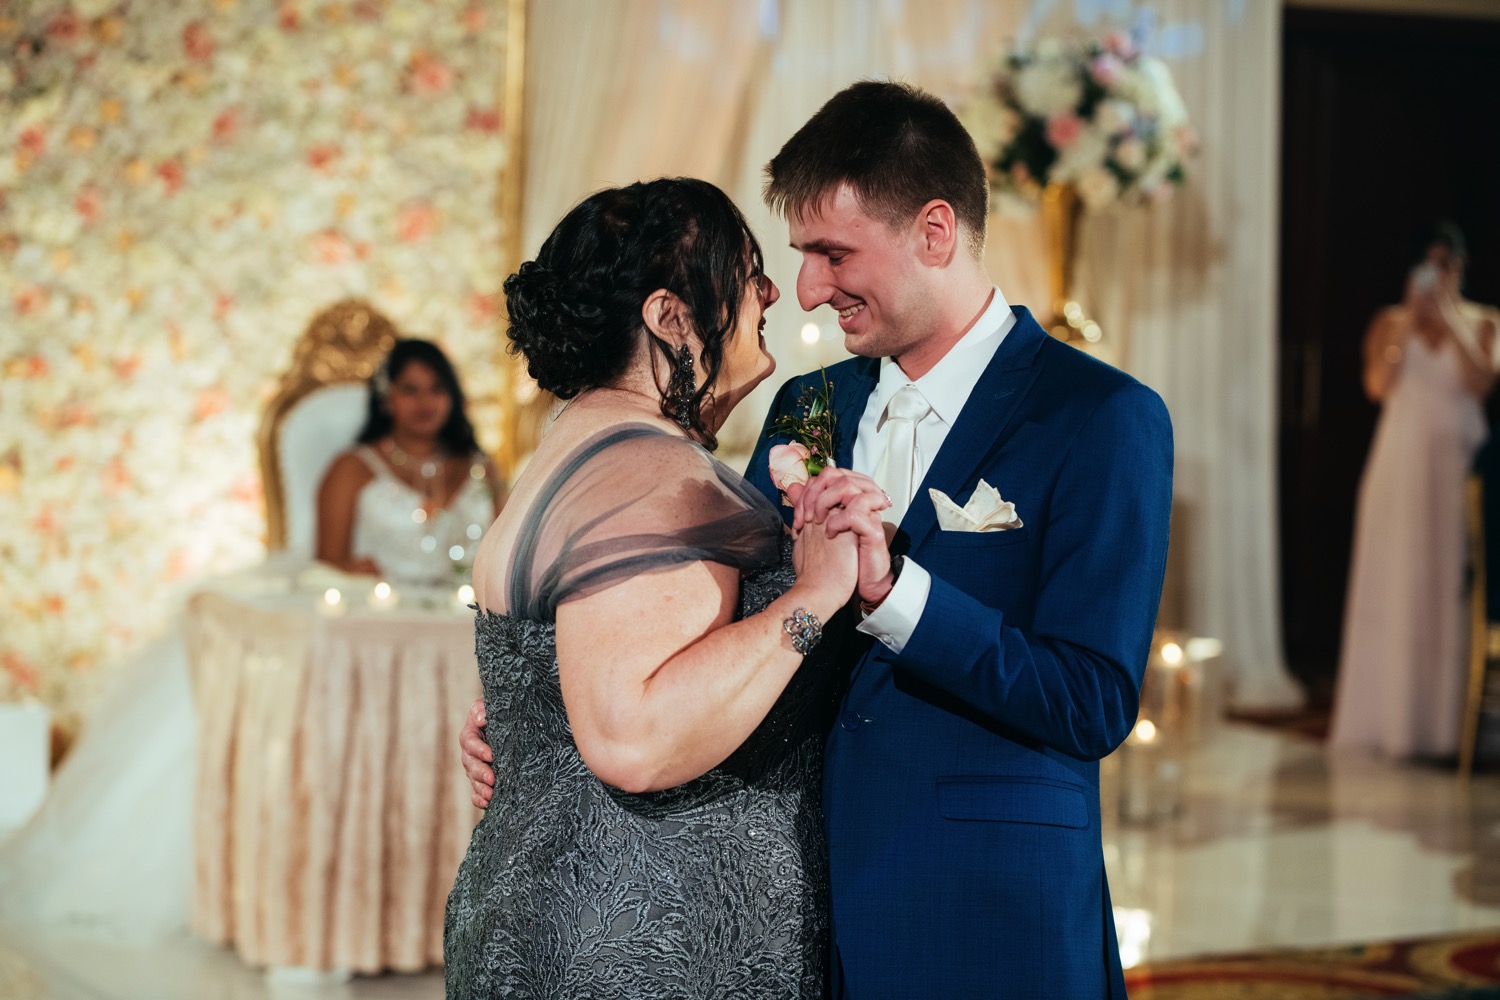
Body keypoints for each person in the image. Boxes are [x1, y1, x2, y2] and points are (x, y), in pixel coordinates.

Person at [463, 82, 1174, 998]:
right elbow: (713, 630)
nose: (806, 291)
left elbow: (1092, 701)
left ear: (935, 231)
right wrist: (550, 718)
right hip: (787, 917)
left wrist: (895, 594)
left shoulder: (1100, 416)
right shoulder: (810, 403)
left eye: (834, 254)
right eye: (801, 256)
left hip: (983, 913)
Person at [442, 177, 894, 998]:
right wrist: (814, 597)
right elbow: (633, 740)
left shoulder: (574, 447)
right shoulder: (654, 474)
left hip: (533, 908)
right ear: (669, 316)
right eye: (746, 272)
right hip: (649, 940)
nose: (769, 294)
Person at [1331, 221, 1499, 759]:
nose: (1437, 274)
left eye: (1446, 264)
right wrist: (1408, 323)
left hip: (1457, 467)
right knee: (1397, 583)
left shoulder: (1485, 321)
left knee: (1450, 586)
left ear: (1461, 267)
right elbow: (1377, 385)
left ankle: (1451, 727)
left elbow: (1482, 382)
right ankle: (1392, 722)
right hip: (1399, 468)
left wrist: (1450, 320)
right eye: (1428, 264)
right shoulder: (1389, 321)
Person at [317, 338, 504, 585]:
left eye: (437, 388)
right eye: (410, 390)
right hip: (383, 606)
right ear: (386, 397)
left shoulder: (483, 467)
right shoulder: (351, 468)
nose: (425, 401)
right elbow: (326, 566)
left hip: (471, 605)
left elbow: (507, 552)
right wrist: (353, 573)